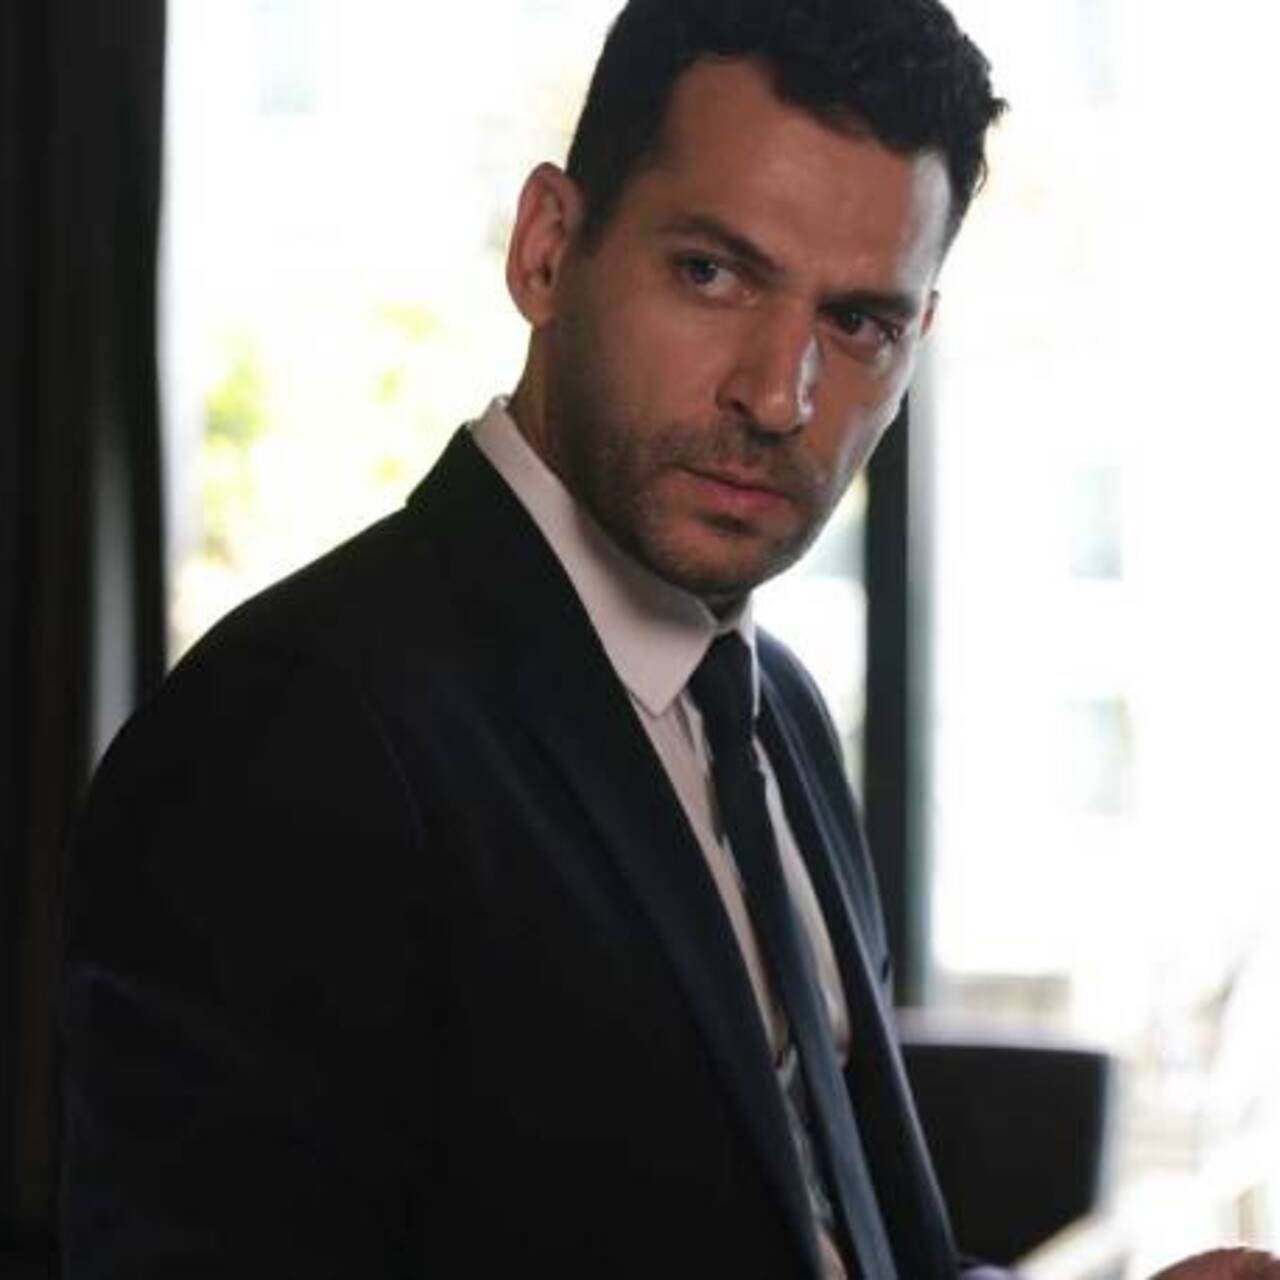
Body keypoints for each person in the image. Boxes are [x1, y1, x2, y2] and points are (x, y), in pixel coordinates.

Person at [58, 1, 1279, 1277]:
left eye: (856, 323)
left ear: (913, 340)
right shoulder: (284, 732)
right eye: (711, 272)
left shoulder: (770, 707)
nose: (777, 394)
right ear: (545, 248)